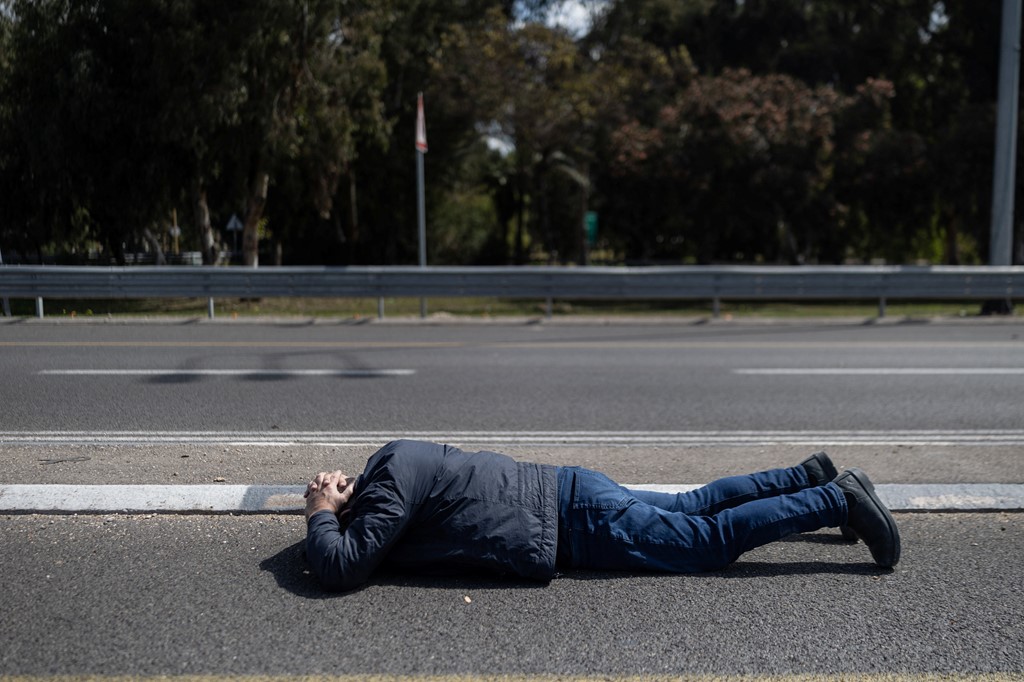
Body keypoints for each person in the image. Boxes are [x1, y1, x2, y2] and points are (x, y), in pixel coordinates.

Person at [303, 439, 900, 592]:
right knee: (694, 505)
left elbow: (341, 567)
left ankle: (836, 499)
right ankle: (807, 476)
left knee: (708, 542)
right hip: (571, 489)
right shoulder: (396, 464)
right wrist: (341, 507)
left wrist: (321, 513)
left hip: (577, 523)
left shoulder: (389, 488)